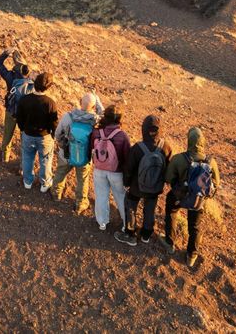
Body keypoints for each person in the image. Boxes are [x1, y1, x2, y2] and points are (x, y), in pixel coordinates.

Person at [163, 127, 221, 268]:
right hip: (198, 200)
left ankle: (170, 243)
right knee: (195, 226)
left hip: (179, 196)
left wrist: (180, 186)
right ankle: (192, 255)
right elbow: (216, 184)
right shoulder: (211, 162)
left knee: (171, 212)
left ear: (189, 141)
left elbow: (168, 178)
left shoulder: (178, 159)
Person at [115, 114, 173, 246]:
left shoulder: (137, 148)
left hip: (137, 187)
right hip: (155, 188)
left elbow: (128, 168)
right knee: (150, 209)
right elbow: (168, 168)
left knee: (131, 207)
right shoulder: (166, 147)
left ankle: (130, 234)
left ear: (144, 129)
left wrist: (126, 183)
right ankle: (146, 234)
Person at [49, 92, 100, 214]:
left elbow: (57, 134)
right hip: (84, 157)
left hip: (66, 153)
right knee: (82, 179)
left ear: (80, 101)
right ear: (93, 107)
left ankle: (56, 194)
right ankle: (80, 203)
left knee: (60, 172)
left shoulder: (69, 117)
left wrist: (63, 146)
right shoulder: (95, 121)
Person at [90, 104, 130, 231]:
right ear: (119, 119)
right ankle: (126, 224)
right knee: (121, 197)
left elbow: (92, 148)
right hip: (116, 172)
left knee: (101, 196)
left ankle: (102, 222)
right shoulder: (122, 135)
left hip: (99, 169)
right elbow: (127, 156)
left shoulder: (96, 132)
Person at [15, 72, 58, 192]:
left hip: (28, 134)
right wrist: (53, 135)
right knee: (45, 160)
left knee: (27, 158)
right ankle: (45, 184)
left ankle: (27, 181)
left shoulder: (25, 100)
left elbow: (19, 118)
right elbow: (54, 123)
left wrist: (23, 129)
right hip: (44, 137)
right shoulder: (50, 103)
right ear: (48, 86)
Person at [0, 48, 30, 163]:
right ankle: (23, 163)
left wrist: (5, 54)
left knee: (7, 135)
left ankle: (4, 158)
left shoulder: (10, 76)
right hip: (25, 114)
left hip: (11, 110)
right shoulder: (30, 79)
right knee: (24, 139)